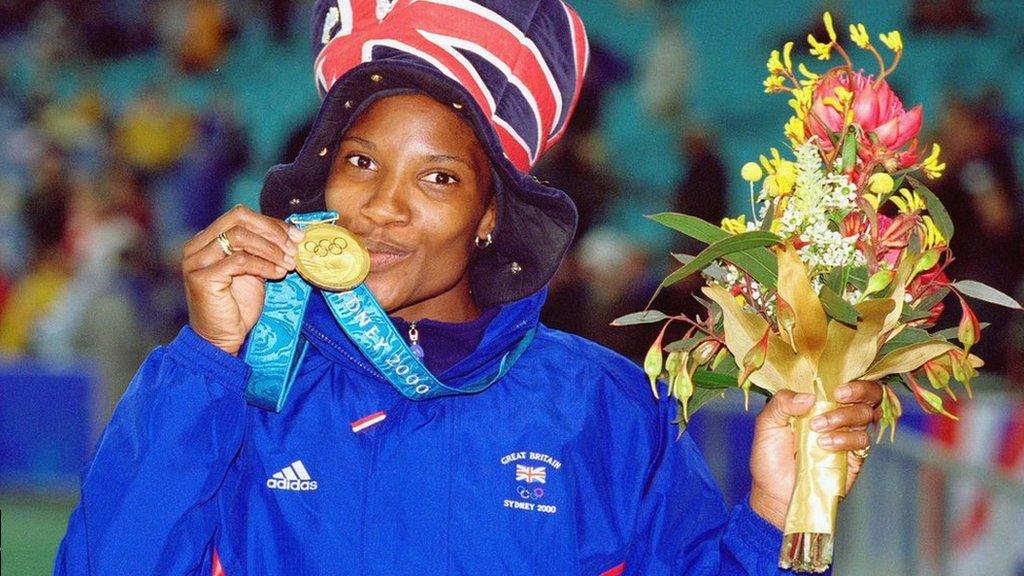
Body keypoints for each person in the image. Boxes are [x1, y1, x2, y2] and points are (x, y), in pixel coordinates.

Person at [54, 1, 882, 574]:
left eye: (439, 178)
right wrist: (208, 362)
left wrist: (777, 508)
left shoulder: (606, 407)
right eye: (361, 163)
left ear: (492, 216)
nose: (383, 208)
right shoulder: (244, 387)